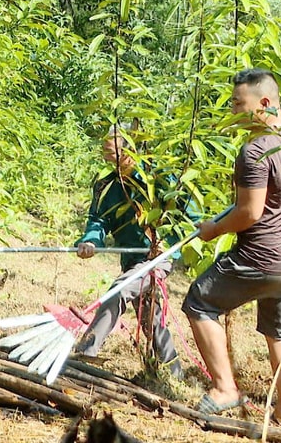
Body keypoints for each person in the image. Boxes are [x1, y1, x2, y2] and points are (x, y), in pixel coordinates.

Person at [182, 68, 281, 427]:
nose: (232, 111)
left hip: (260, 259)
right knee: (280, 332)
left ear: (264, 102)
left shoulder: (256, 151)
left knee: (199, 300)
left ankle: (225, 389)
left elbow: (249, 212)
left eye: (237, 103)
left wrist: (214, 230)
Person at [73, 124, 199, 379]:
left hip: (158, 258)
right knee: (149, 315)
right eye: (107, 155)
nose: (111, 161)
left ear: (132, 148)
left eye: (116, 155)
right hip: (132, 259)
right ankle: (174, 374)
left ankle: (86, 351)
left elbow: (191, 217)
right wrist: (90, 241)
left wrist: (170, 241)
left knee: (119, 290)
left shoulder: (160, 180)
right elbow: (98, 220)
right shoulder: (105, 185)